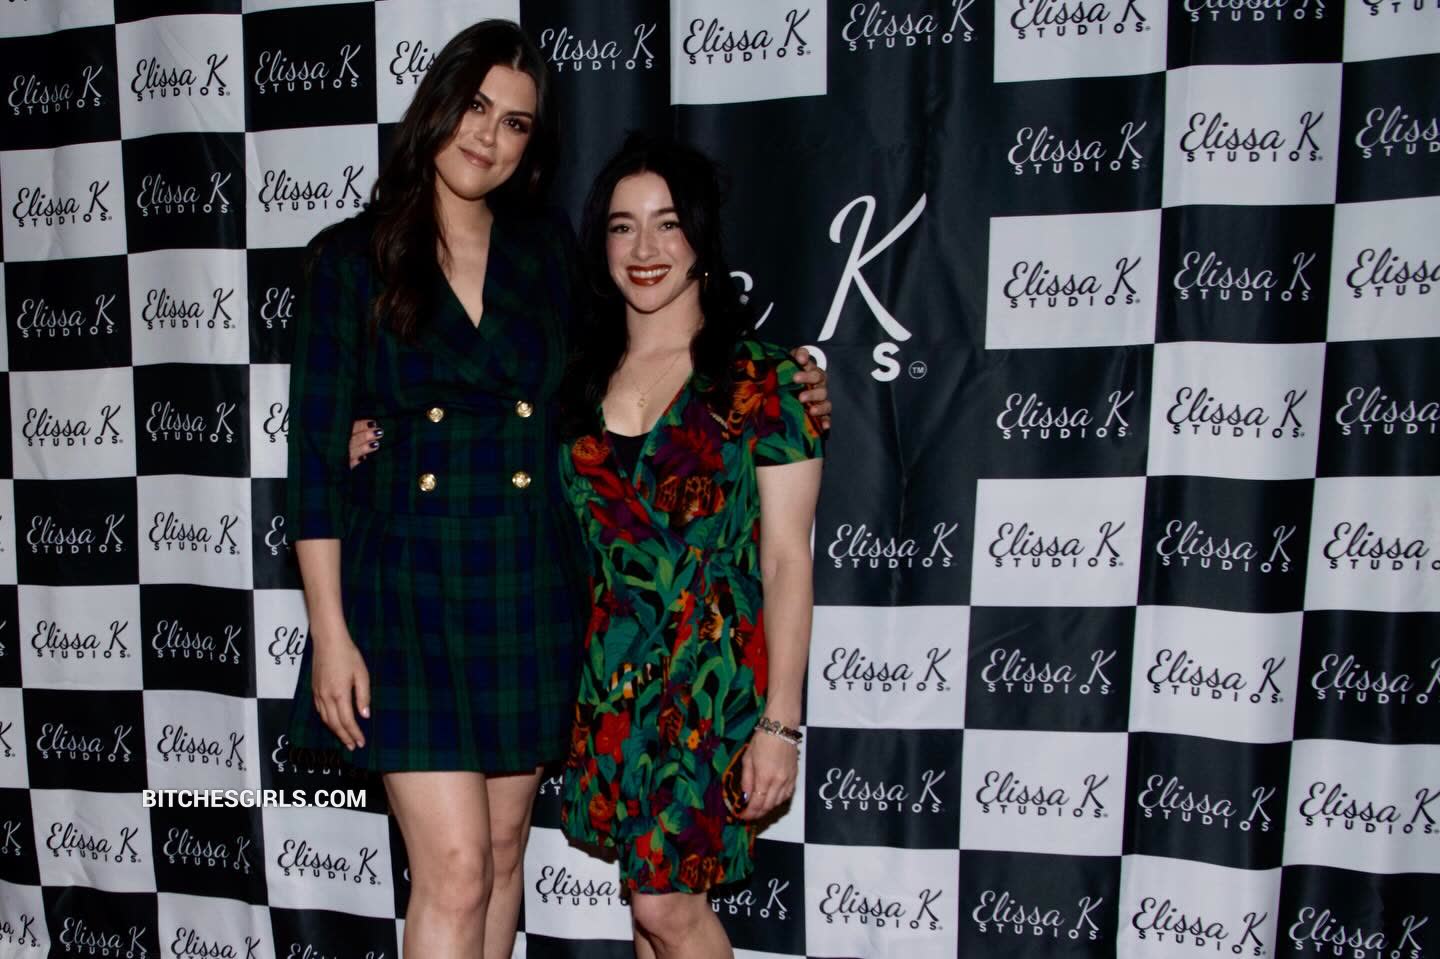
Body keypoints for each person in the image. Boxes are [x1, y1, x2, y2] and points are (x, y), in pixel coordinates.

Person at [291, 20, 829, 959]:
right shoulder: (349, 259)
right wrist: (329, 631)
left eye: (516, 123)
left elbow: (642, 349)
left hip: (526, 586)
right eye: (475, 107)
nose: (488, 135)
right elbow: (309, 463)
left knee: (504, 852)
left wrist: (801, 379)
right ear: (436, 108)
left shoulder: (545, 256)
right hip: (406, 592)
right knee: (456, 866)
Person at [555, 134, 823, 959]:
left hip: (713, 684)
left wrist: (781, 723)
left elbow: (787, 559)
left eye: (667, 223)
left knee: (664, 904)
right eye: (622, 226)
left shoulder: (767, 380)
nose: (645, 248)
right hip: (610, 682)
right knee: (650, 913)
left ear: (701, 238)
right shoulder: (574, 383)